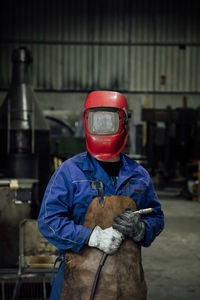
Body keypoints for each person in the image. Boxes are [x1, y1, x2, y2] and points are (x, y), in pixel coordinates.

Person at [38, 90, 164, 300]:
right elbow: (48, 221)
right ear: (88, 121)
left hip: (127, 284)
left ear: (123, 122)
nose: (104, 127)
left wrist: (141, 229)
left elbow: (157, 217)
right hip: (77, 285)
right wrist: (91, 237)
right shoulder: (69, 172)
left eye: (110, 121)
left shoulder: (139, 175)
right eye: (99, 121)